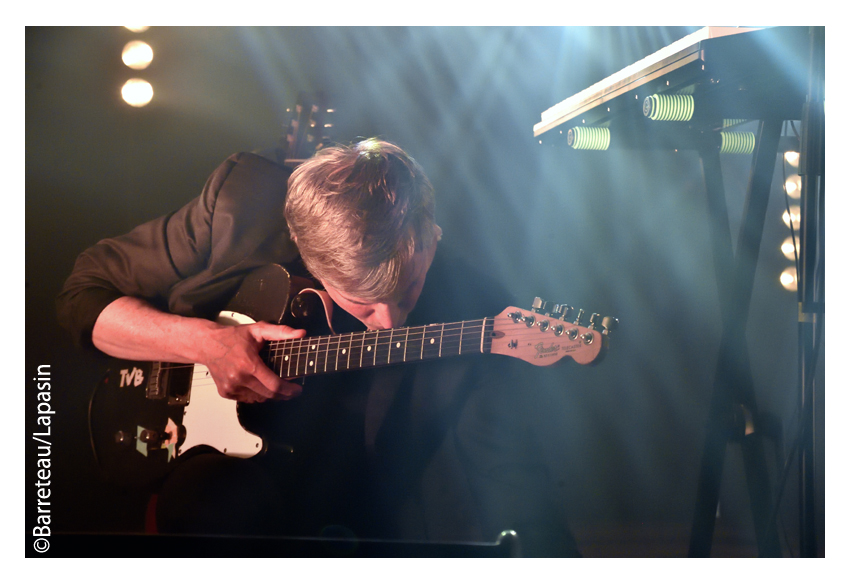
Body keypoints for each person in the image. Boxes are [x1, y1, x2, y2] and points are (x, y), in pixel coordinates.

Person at [57, 138, 580, 556]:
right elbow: (83, 297)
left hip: (352, 508)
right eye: (363, 303)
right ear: (310, 259)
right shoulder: (243, 203)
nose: (390, 323)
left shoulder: (474, 305)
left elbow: (509, 470)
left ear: (432, 235)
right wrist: (207, 342)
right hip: (220, 484)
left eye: (410, 290)